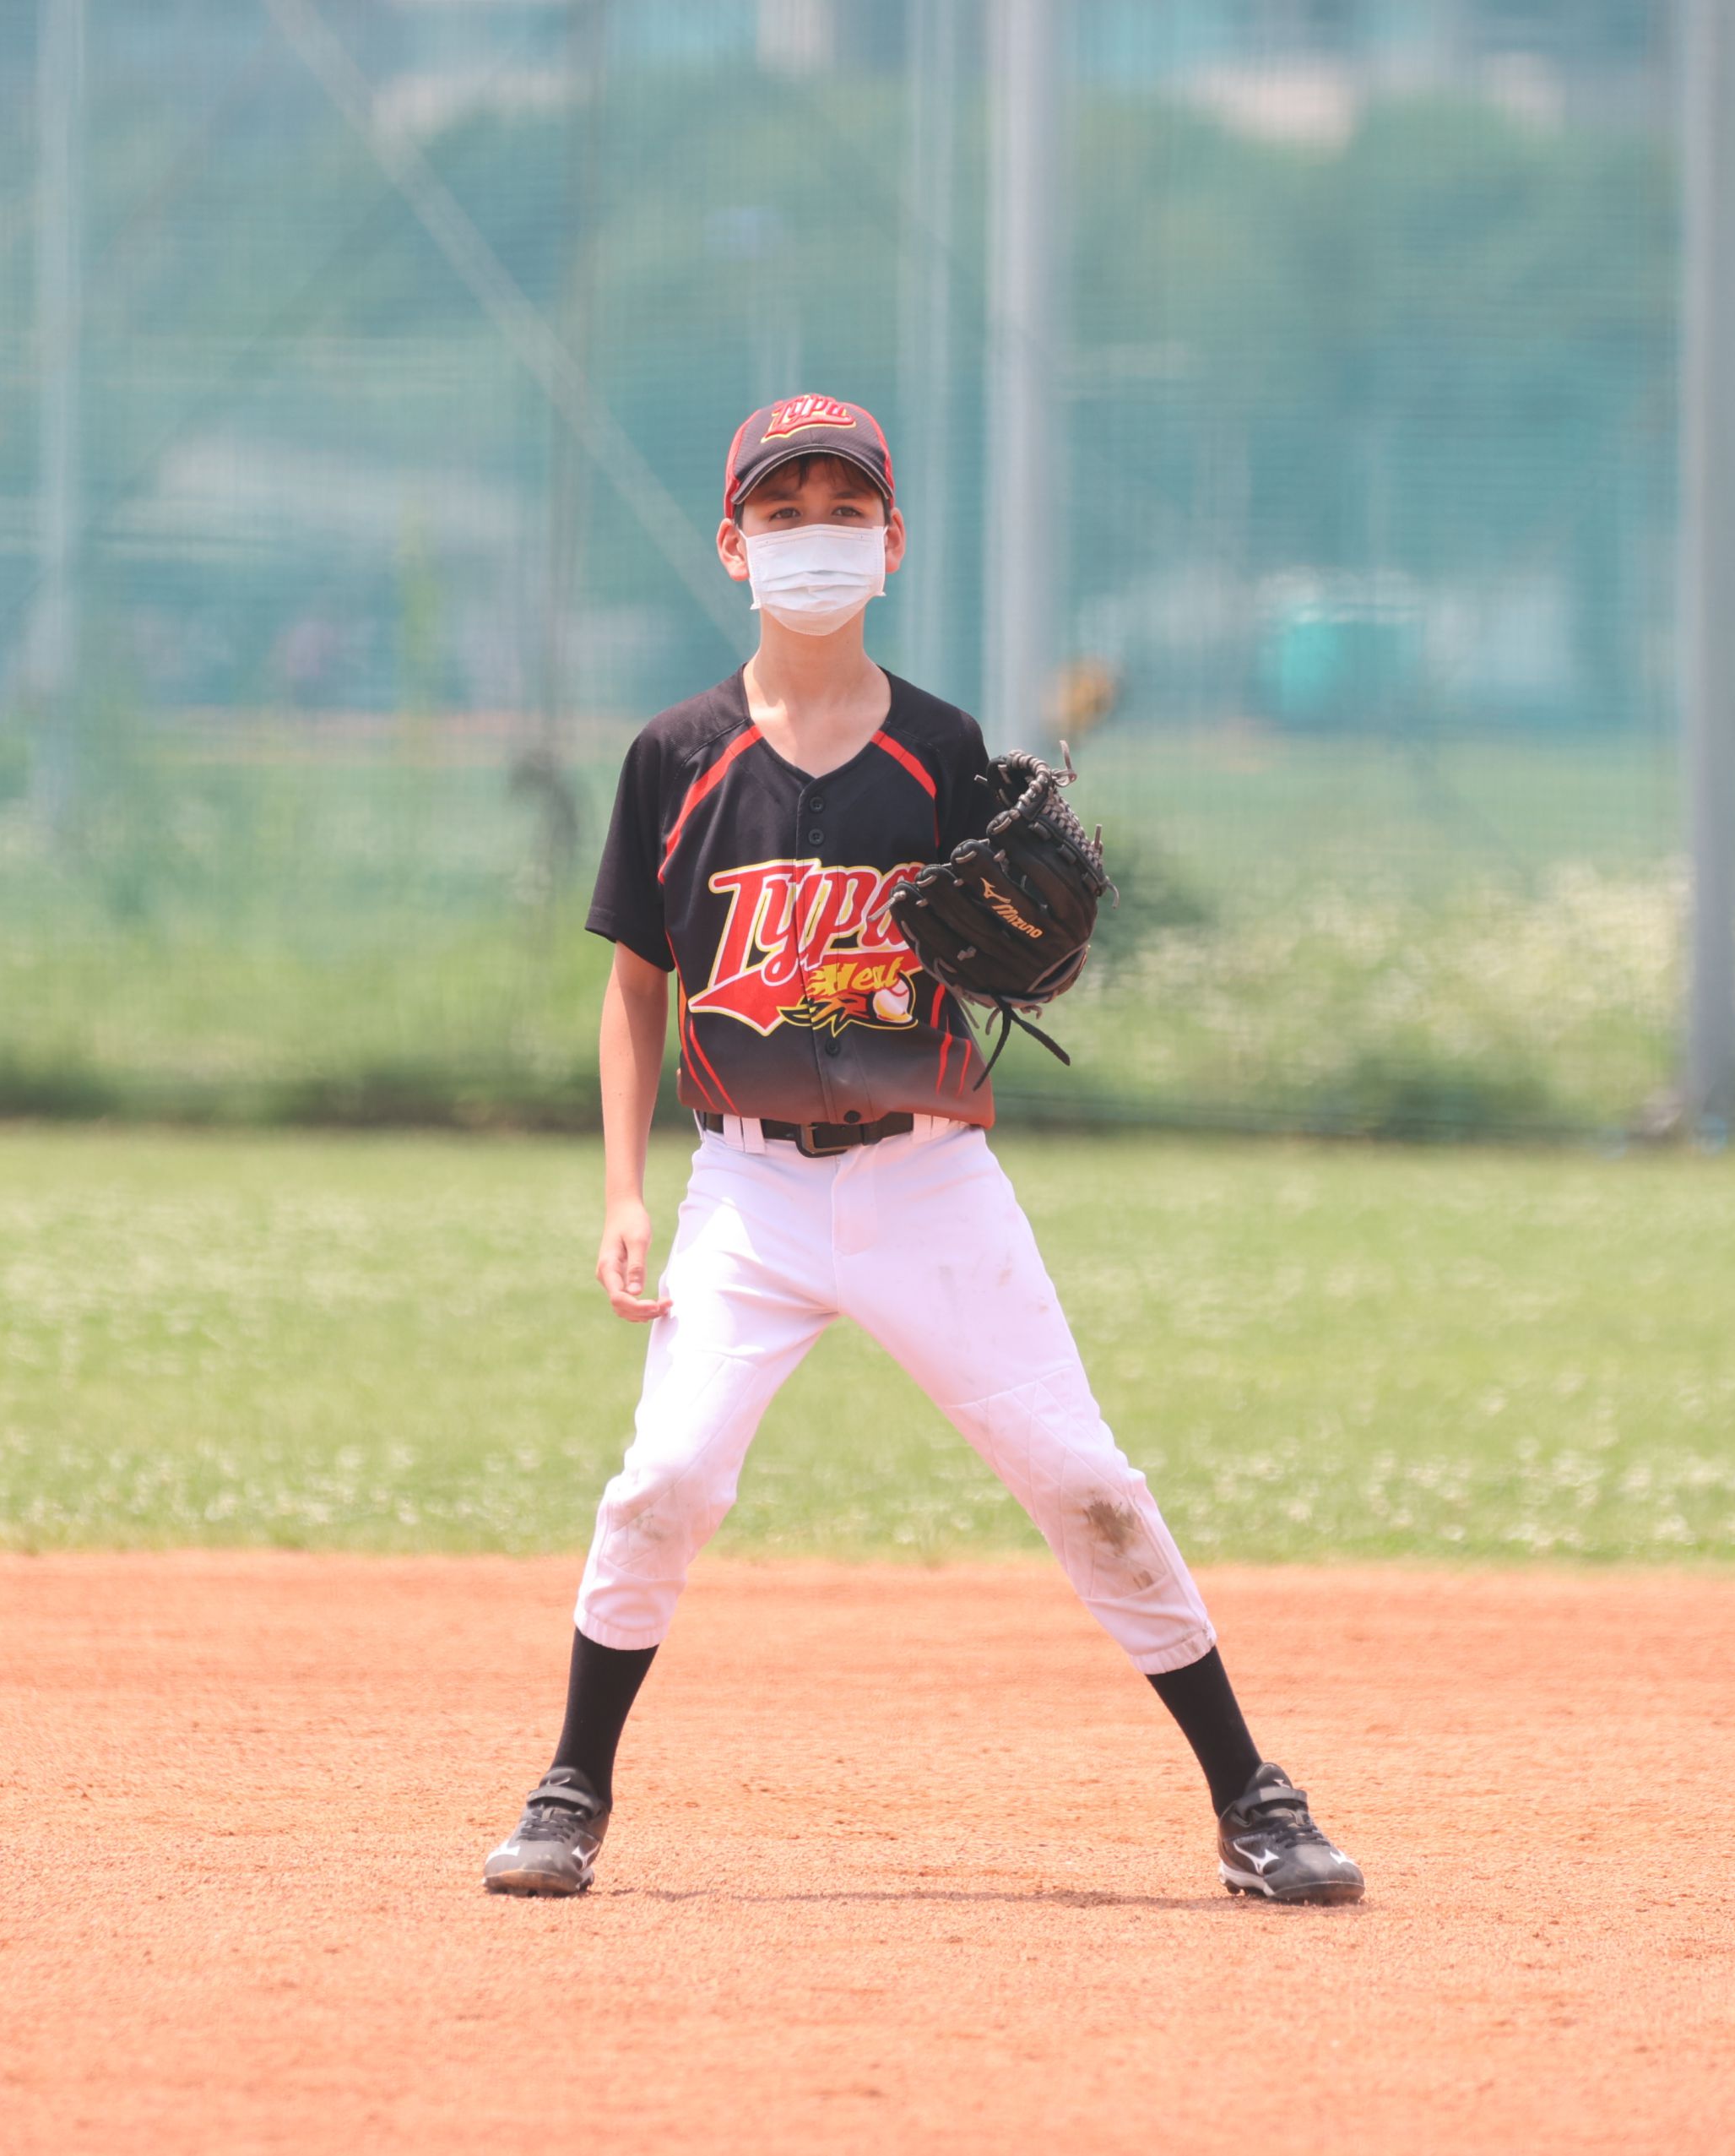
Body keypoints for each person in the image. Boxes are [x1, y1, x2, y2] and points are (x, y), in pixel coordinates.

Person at [480, 394, 1364, 1907]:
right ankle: (571, 1789)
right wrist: (623, 1191)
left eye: (842, 510)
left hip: (926, 1174)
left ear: (891, 541)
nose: (811, 536)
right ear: (731, 544)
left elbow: (1029, 941)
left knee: (1082, 1477)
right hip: (748, 1186)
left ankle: (1253, 1801)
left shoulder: (942, 749)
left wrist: (1039, 941)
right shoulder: (673, 754)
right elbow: (635, 988)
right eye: (781, 511)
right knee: (664, 1480)